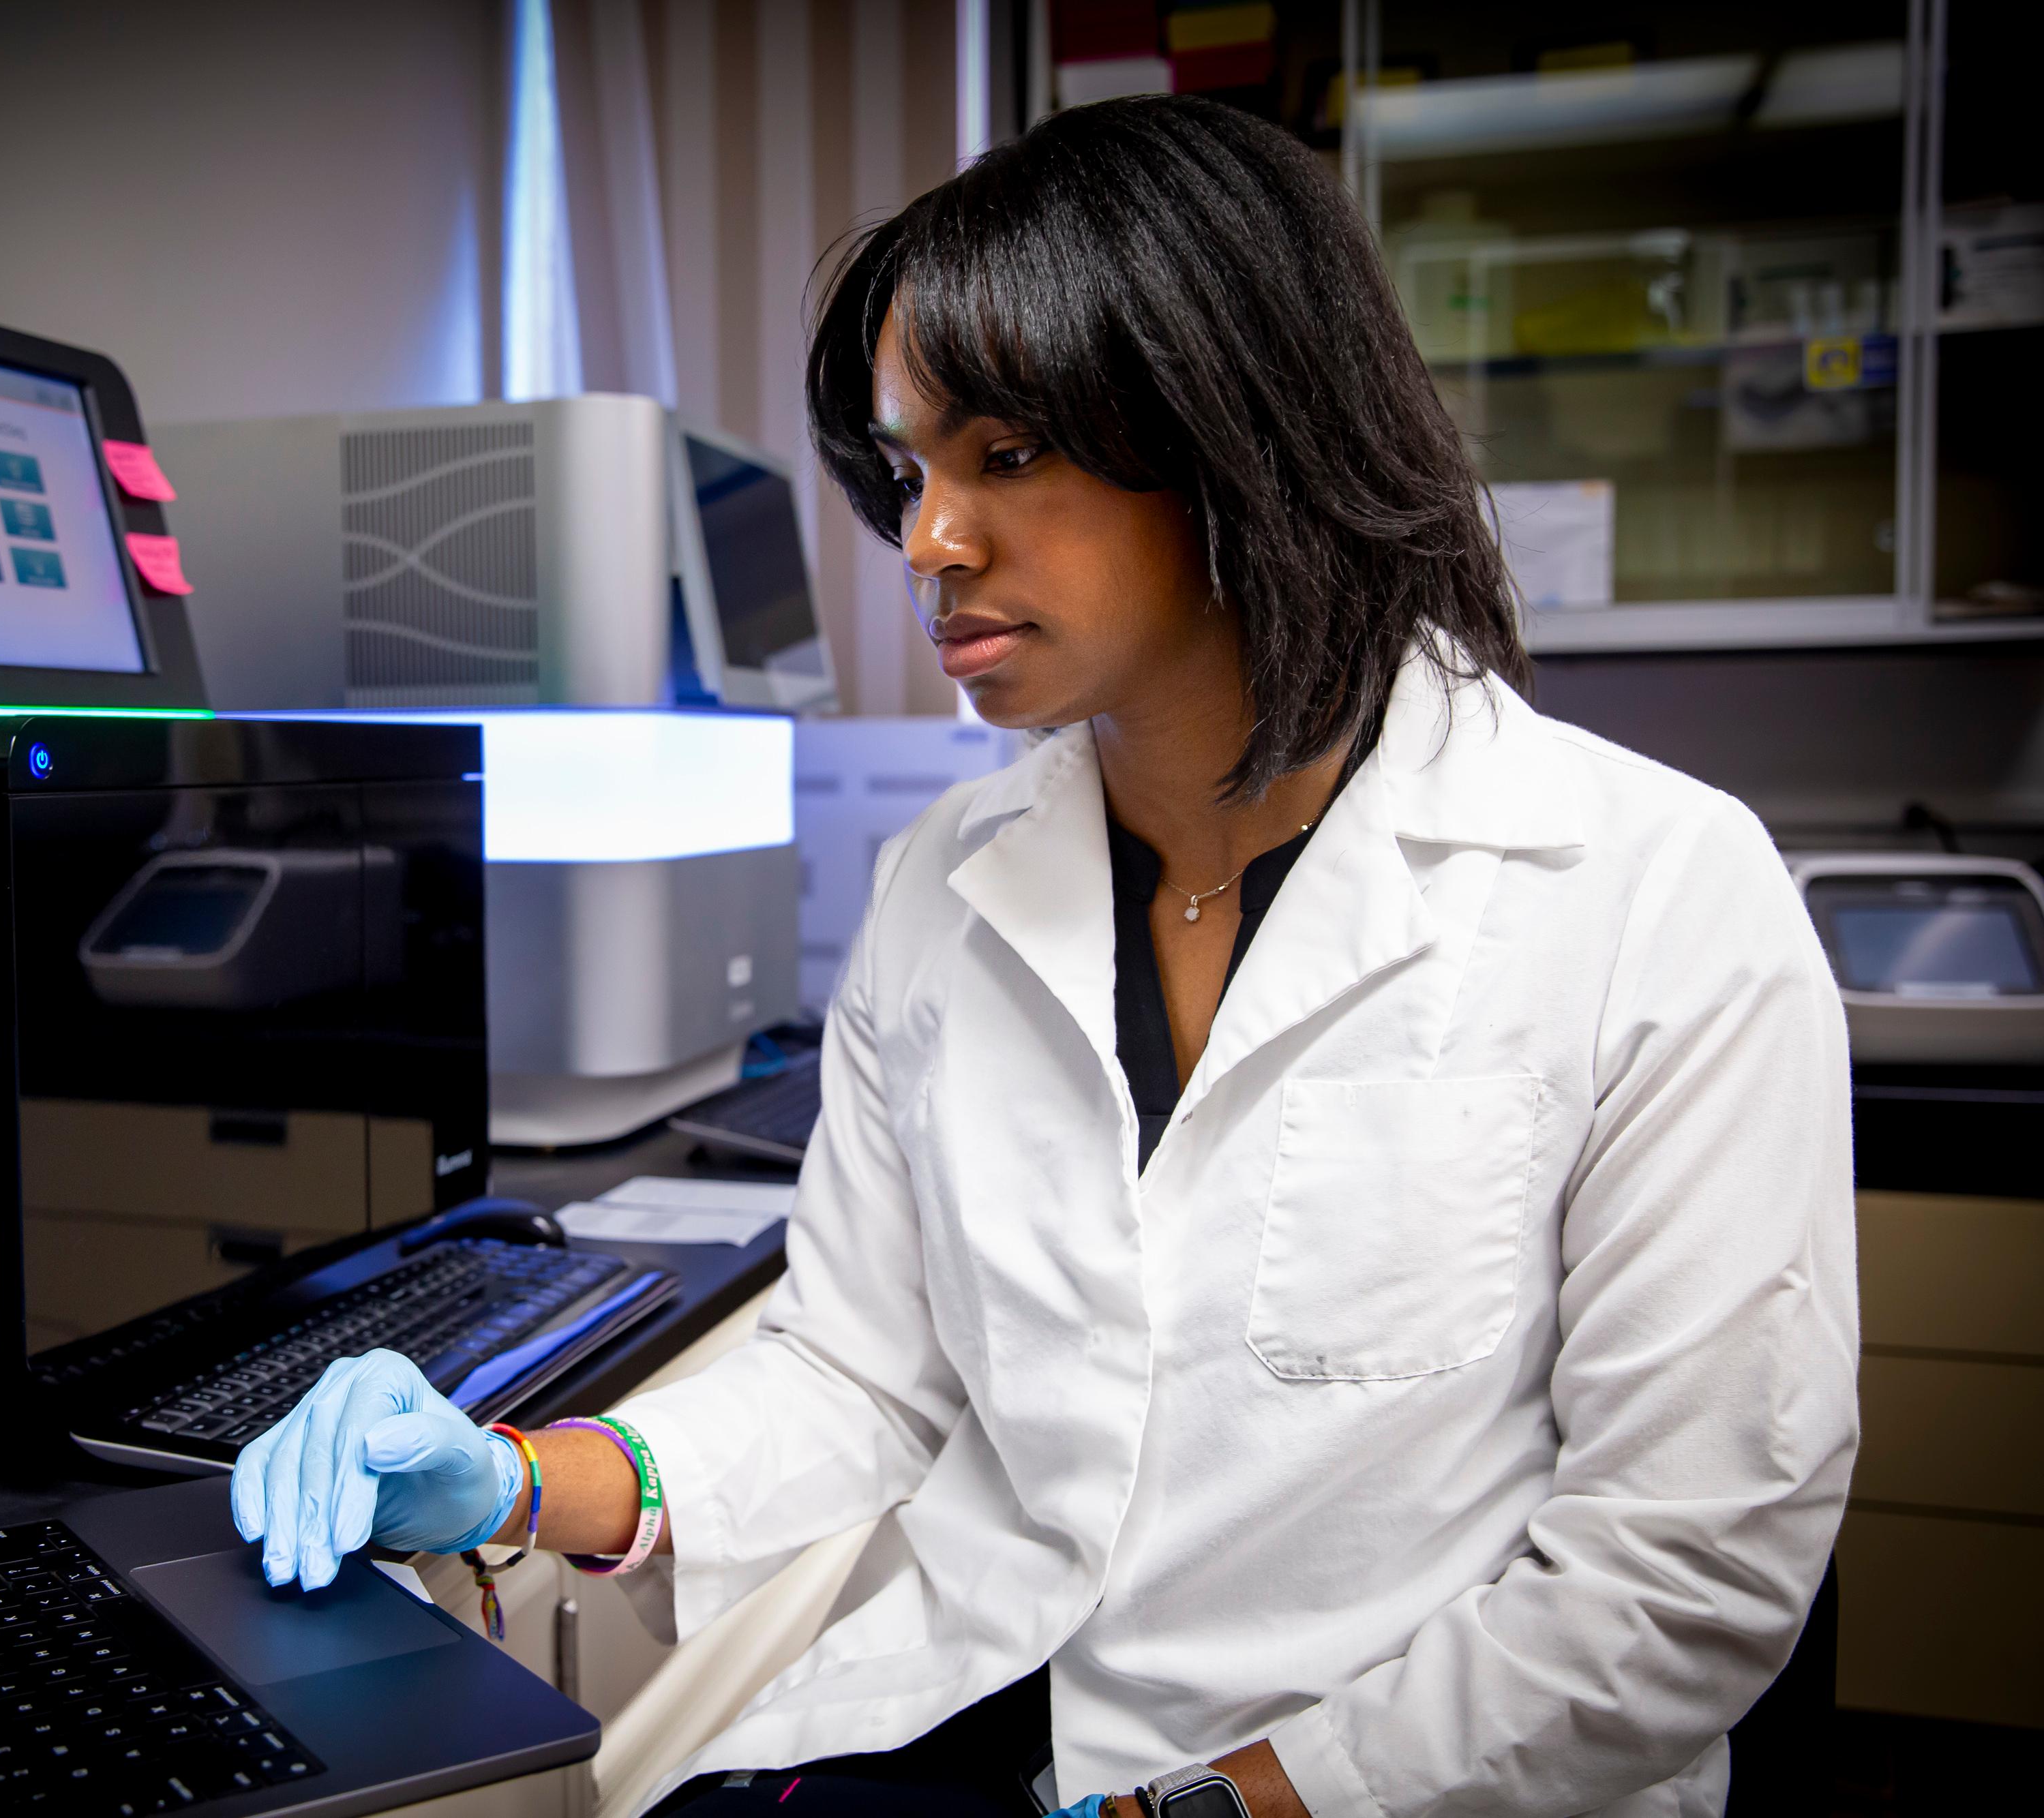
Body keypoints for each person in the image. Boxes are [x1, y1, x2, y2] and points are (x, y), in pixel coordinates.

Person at [232, 95, 1856, 1818]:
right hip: (979, 1703)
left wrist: (1213, 1807)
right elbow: (859, 1372)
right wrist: (506, 1479)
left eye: (1003, 454)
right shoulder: (947, 877)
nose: (927, 538)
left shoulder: (1648, 886)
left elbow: (1676, 1574)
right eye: (909, 468)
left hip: (1379, 1777)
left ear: (1244, 431)